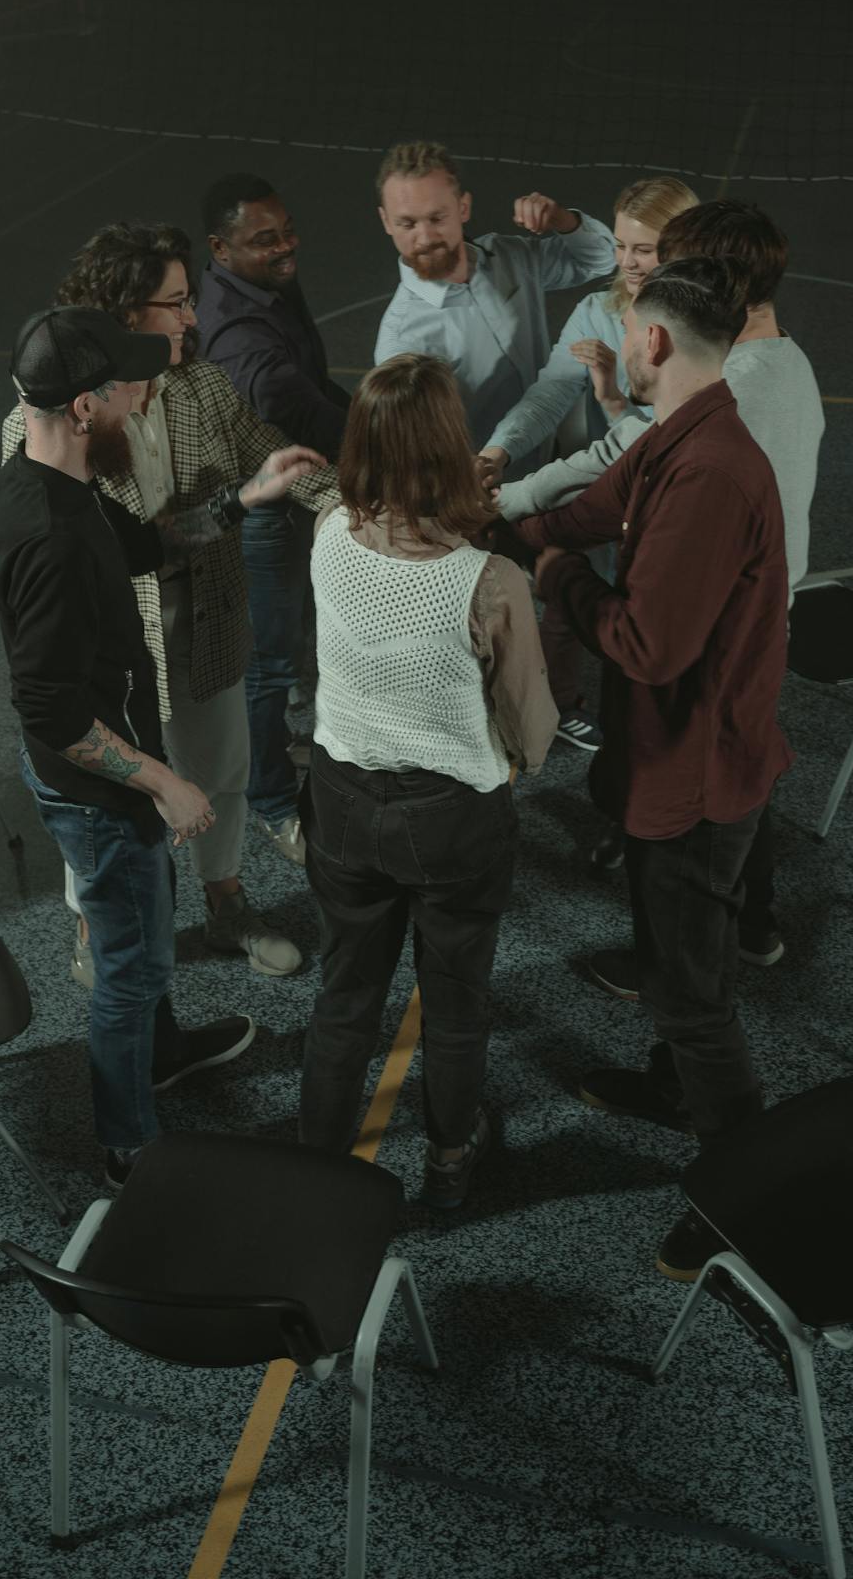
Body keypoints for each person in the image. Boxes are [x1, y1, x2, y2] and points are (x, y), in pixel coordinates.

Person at [0, 304, 323, 1185]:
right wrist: (160, 783)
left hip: (112, 775)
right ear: (85, 409)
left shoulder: (61, 486)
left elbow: (137, 544)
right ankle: (128, 1146)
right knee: (127, 970)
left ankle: (163, 1052)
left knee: (142, 927)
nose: (146, 399)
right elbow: (49, 708)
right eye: (130, 388)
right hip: (98, 791)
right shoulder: (49, 535)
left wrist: (241, 500)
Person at [511, 258, 792, 1278]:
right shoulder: (682, 429)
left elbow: (648, 647)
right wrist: (506, 527)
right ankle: (674, 1087)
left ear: (656, 341)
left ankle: (743, 1192)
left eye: (628, 325)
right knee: (678, 954)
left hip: (700, 774)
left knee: (694, 994)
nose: (623, 338)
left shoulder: (713, 471)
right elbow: (590, 510)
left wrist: (551, 578)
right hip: (668, 761)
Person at [1, 223, 337, 980]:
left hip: (207, 615)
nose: (192, 319)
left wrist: (372, 521)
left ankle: (227, 905)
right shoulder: (45, 423)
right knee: (106, 798)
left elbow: (278, 464)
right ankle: (94, 922)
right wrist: (233, 504)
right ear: (123, 315)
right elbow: (94, 553)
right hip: (118, 639)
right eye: (176, 303)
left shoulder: (204, 388)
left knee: (221, 769)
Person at [499, 200, 824, 959]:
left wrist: (531, 540)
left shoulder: (726, 399)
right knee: (737, 765)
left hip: (727, 616)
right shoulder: (770, 364)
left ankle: (689, 960)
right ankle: (748, 927)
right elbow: (622, 473)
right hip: (751, 606)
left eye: (674, 267)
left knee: (700, 780)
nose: (649, 273)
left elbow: (616, 461)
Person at [298, 354, 557, 1209]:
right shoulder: (489, 582)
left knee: (344, 997)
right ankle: (449, 1158)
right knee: (453, 1002)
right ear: (452, 445)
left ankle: (320, 1167)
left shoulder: (328, 532)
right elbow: (534, 729)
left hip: (339, 799)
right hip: (450, 816)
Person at [475, 177, 698, 753]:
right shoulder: (599, 310)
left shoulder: (700, 327)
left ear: (681, 247)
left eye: (642, 250)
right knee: (568, 585)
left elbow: (655, 435)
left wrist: (613, 403)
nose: (625, 262)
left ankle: (647, 729)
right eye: (621, 246)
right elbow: (549, 393)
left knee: (651, 615)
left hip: (671, 496)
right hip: (603, 485)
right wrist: (499, 451)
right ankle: (561, 703)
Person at [198, 175, 352, 865]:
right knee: (266, 666)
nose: (286, 246)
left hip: (293, 491)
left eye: (287, 229)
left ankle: (277, 751)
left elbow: (315, 382)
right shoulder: (239, 336)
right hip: (267, 511)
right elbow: (294, 402)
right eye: (265, 240)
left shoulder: (264, 287)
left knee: (290, 649)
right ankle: (268, 800)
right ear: (220, 248)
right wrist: (379, 441)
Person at [373, 140, 617, 479]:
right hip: (490, 489)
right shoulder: (401, 344)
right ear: (386, 221)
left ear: (463, 208)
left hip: (553, 454)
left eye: (437, 217)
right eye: (407, 224)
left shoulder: (509, 256)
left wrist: (562, 220)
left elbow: (601, 259)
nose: (425, 237)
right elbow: (419, 459)